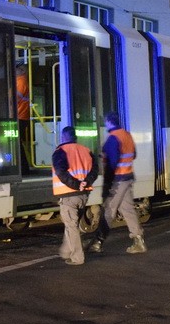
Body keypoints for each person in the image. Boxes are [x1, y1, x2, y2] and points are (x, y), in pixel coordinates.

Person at [90, 112, 147, 254]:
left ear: (109, 122)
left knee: (109, 210)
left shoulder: (113, 138)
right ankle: (138, 240)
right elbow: (133, 155)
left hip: (117, 181)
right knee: (128, 210)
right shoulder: (126, 135)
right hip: (127, 177)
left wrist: (107, 185)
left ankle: (98, 242)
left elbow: (112, 164)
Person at [51, 126, 97, 265]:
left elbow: (61, 172)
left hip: (69, 194)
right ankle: (66, 251)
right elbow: (95, 170)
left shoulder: (60, 152)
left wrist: (76, 184)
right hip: (84, 195)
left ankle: (77, 258)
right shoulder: (86, 150)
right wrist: (85, 182)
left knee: (71, 226)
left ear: (63, 137)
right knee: (71, 224)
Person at [16, 64, 32, 174]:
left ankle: (23, 168)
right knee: (18, 142)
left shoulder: (21, 81)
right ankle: (24, 168)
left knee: (16, 142)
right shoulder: (21, 80)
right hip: (22, 116)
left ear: (21, 70)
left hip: (19, 115)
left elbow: (15, 98)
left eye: (16, 68)